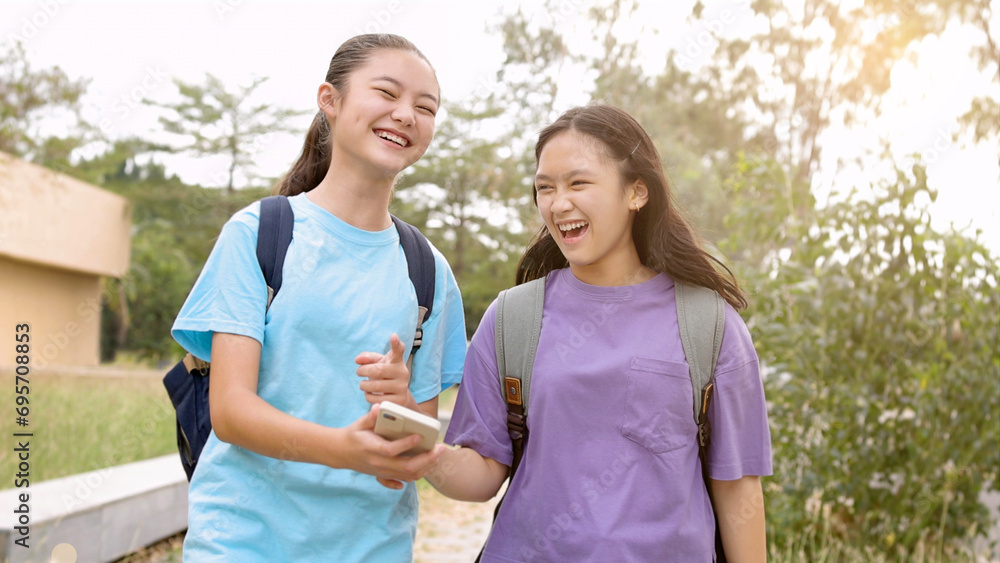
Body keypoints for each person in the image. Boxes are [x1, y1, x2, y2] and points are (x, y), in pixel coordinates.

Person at [428, 104, 772, 562]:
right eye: (544, 188)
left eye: (578, 182)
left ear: (636, 192)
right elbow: (484, 474)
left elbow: (738, 486)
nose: (557, 203)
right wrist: (425, 456)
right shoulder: (512, 319)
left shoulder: (708, 325)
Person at [170, 34, 467, 561]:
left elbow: (411, 450)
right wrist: (343, 451)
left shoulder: (429, 271)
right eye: (387, 93)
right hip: (243, 542)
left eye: (426, 107)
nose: (406, 115)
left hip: (372, 547)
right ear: (330, 99)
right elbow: (232, 411)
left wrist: (398, 402)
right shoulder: (259, 232)